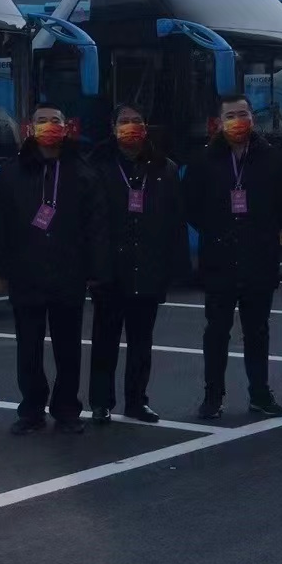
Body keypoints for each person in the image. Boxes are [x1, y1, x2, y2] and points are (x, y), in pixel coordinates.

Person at [0, 105, 110, 435]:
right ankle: (31, 409)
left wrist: (96, 270)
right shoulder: (11, 173)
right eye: (41, 121)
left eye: (55, 121)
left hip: (69, 273)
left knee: (68, 348)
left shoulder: (82, 171)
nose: (49, 126)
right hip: (25, 272)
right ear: (30, 128)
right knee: (28, 348)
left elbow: (97, 226)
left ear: (67, 127)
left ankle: (67, 409)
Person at [182, 95, 282, 419]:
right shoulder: (204, 160)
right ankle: (213, 396)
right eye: (231, 116)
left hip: (259, 258)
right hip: (219, 259)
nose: (238, 121)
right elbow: (190, 205)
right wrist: (216, 230)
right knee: (217, 332)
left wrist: (267, 232)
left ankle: (260, 394)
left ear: (253, 118)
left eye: (243, 114)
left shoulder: (271, 158)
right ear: (219, 122)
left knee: (258, 331)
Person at [86, 103, 187, 424]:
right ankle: (101, 402)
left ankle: (137, 401)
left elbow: (175, 221)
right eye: (124, 121)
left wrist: (176, 267)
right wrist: (92, 267)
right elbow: (87, 222)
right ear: (113, 127)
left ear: (146, 127)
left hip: (148, 267)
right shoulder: (97, 166)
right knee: (104, 341)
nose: (131, 126)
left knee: (142, 342)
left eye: (137, 121)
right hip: (109, 270)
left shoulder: (165, 168)